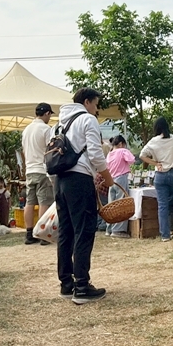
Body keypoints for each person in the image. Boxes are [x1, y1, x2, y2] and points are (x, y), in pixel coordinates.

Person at [54, 88, 114, 304]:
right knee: (84, 230)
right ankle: (81, 286)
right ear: (87, 102)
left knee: (66, 231)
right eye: (96, 104)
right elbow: (96, 154)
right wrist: (108, 179)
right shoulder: (87, 119)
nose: (96, 109)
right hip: (79, 180)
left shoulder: (59, 123)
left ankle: (66, 283)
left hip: (59, 181)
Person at [22, 102, 55, 245]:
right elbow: (50, 150)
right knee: (44, 201)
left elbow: (23, 151)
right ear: (47, 113)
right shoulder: (46, 129)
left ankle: (29, 233)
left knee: (29, 202)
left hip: (29, 170)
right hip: (42, 169)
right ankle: (42, 233)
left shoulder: (26, 129)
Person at [105, 135, 135, 238]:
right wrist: (125, 151)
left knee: (111, 205)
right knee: (121, 205)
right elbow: (131, 160)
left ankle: (109, 229)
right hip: (121, 178)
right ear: (121, 144)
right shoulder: (122, 151)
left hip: (111, 179)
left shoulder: (109, 154)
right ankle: (118, 230)